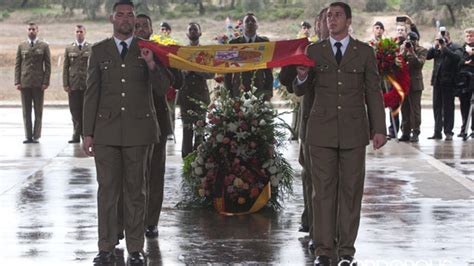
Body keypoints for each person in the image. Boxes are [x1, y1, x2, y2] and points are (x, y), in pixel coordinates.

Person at [295, 2, 387, 265]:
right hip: (320, 133)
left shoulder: (364, 52)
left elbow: (373, 92)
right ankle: (324, 251)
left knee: (351, 191)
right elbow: (300, 89)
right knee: (322, 192)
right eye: (328, 16)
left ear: (348, 20)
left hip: (353, 132)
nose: (331, 20)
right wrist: (301, 77)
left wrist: (378, 129)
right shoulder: (314, 51)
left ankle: (346, 251)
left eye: (336, 16)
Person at [82, 1, 170, 264]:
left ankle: (135, 248)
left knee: (136, 191)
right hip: (106, 131)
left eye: (130, 15)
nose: (125, 19)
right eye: (120, 15)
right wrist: (87, 133)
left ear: (135, 20)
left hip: (139, 132)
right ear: (112, 19)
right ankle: (106, 247)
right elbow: (91, 94)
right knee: (107, 191)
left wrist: (152, 65)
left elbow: (163, 88)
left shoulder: (148, 50)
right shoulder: (99, 51)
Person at [279, 6, 328, 252]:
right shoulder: (307, 49)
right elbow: (288, 81)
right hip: (311, 122)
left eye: (333, 17)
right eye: (323, 19)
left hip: (338, 124)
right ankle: (312, 221)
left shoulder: (349, 50)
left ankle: (324, 224)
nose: (328, 23)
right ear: (317, 25)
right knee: (310, 176)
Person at [178, 22, 215, 158]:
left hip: (201, 95)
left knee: (200, 129)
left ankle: (200, 160)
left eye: (195, 29)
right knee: (187, 130)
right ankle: (186, 160)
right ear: (187, 34)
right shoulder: (182, 52)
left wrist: (197, 70)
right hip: (185, 95)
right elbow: (176, 74)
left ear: (200, 33)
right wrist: (185, 72)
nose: (193, 31)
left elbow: (212, 74)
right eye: (190, 30)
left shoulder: (206, 53)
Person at [14, 22, 51, 144]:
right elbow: (18, 65)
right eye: (29, 29)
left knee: (38, 111)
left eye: (33, 29)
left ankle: (36, 136)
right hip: (25, 83)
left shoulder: (44, 46)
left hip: (38, 83)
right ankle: (28, 136)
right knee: (26, 111)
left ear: (37, 30)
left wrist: (46, 81)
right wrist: (17, 81)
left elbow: (48, 65)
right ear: (27, 31)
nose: (31, 31)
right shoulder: (22, 46)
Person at [224, 13, 274, 99]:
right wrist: (229, 92)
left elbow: (268, 71)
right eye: (247, 21)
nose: (250, 23)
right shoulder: (234, 43)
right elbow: (228, 71)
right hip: (239, 89)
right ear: (242, 25)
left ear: (257, 25)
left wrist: (268, 92)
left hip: (259, 90)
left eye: (253, 21)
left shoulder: (264, 43)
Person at [426, 28, 463, 140]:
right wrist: (435, 45)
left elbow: (457, 58)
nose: (441, 40)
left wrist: (445, 47)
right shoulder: (437, 48)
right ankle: (437, 132)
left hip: (449, 82)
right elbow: (428, 56)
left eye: (442, 38)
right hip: (437, 81)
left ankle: (448, 132)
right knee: (437, 107)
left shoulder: (455, 47)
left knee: (448, 108)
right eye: (439, 38)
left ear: (448, 37)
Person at [63, 25, 91, 143]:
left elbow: (93, 68)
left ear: (85, 33)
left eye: (81, 31)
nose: (79, 33)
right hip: (73, 84)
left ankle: (84, 135)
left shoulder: (91, 48)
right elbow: (66, 67)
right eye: (77, 31)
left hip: (86, 84)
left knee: (85, 111)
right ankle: (76, 134)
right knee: (74, 110)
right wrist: (65, 84)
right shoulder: (69, 48)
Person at [398, 32, 428, 142]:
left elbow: (419, 64)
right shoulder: (403, 47)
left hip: (415, 83)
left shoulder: (422, 50)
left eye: (413, 41)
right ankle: (405, 131)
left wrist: (412, 52)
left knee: (415, 109)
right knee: (404, 108)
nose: (411, 43)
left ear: (417, 41)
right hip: (404, 83)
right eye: (409, 41)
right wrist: (405, 50)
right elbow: (398, 61)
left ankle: (415, 131)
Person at [456, 28, 474, 139]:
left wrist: (471, 54)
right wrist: (465, 61)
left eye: (471, 36)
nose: (469, 38)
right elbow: (458, 61)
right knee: (464, 106)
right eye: (467, 36)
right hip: (464, 81)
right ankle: (464, 129)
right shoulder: (461, 48)